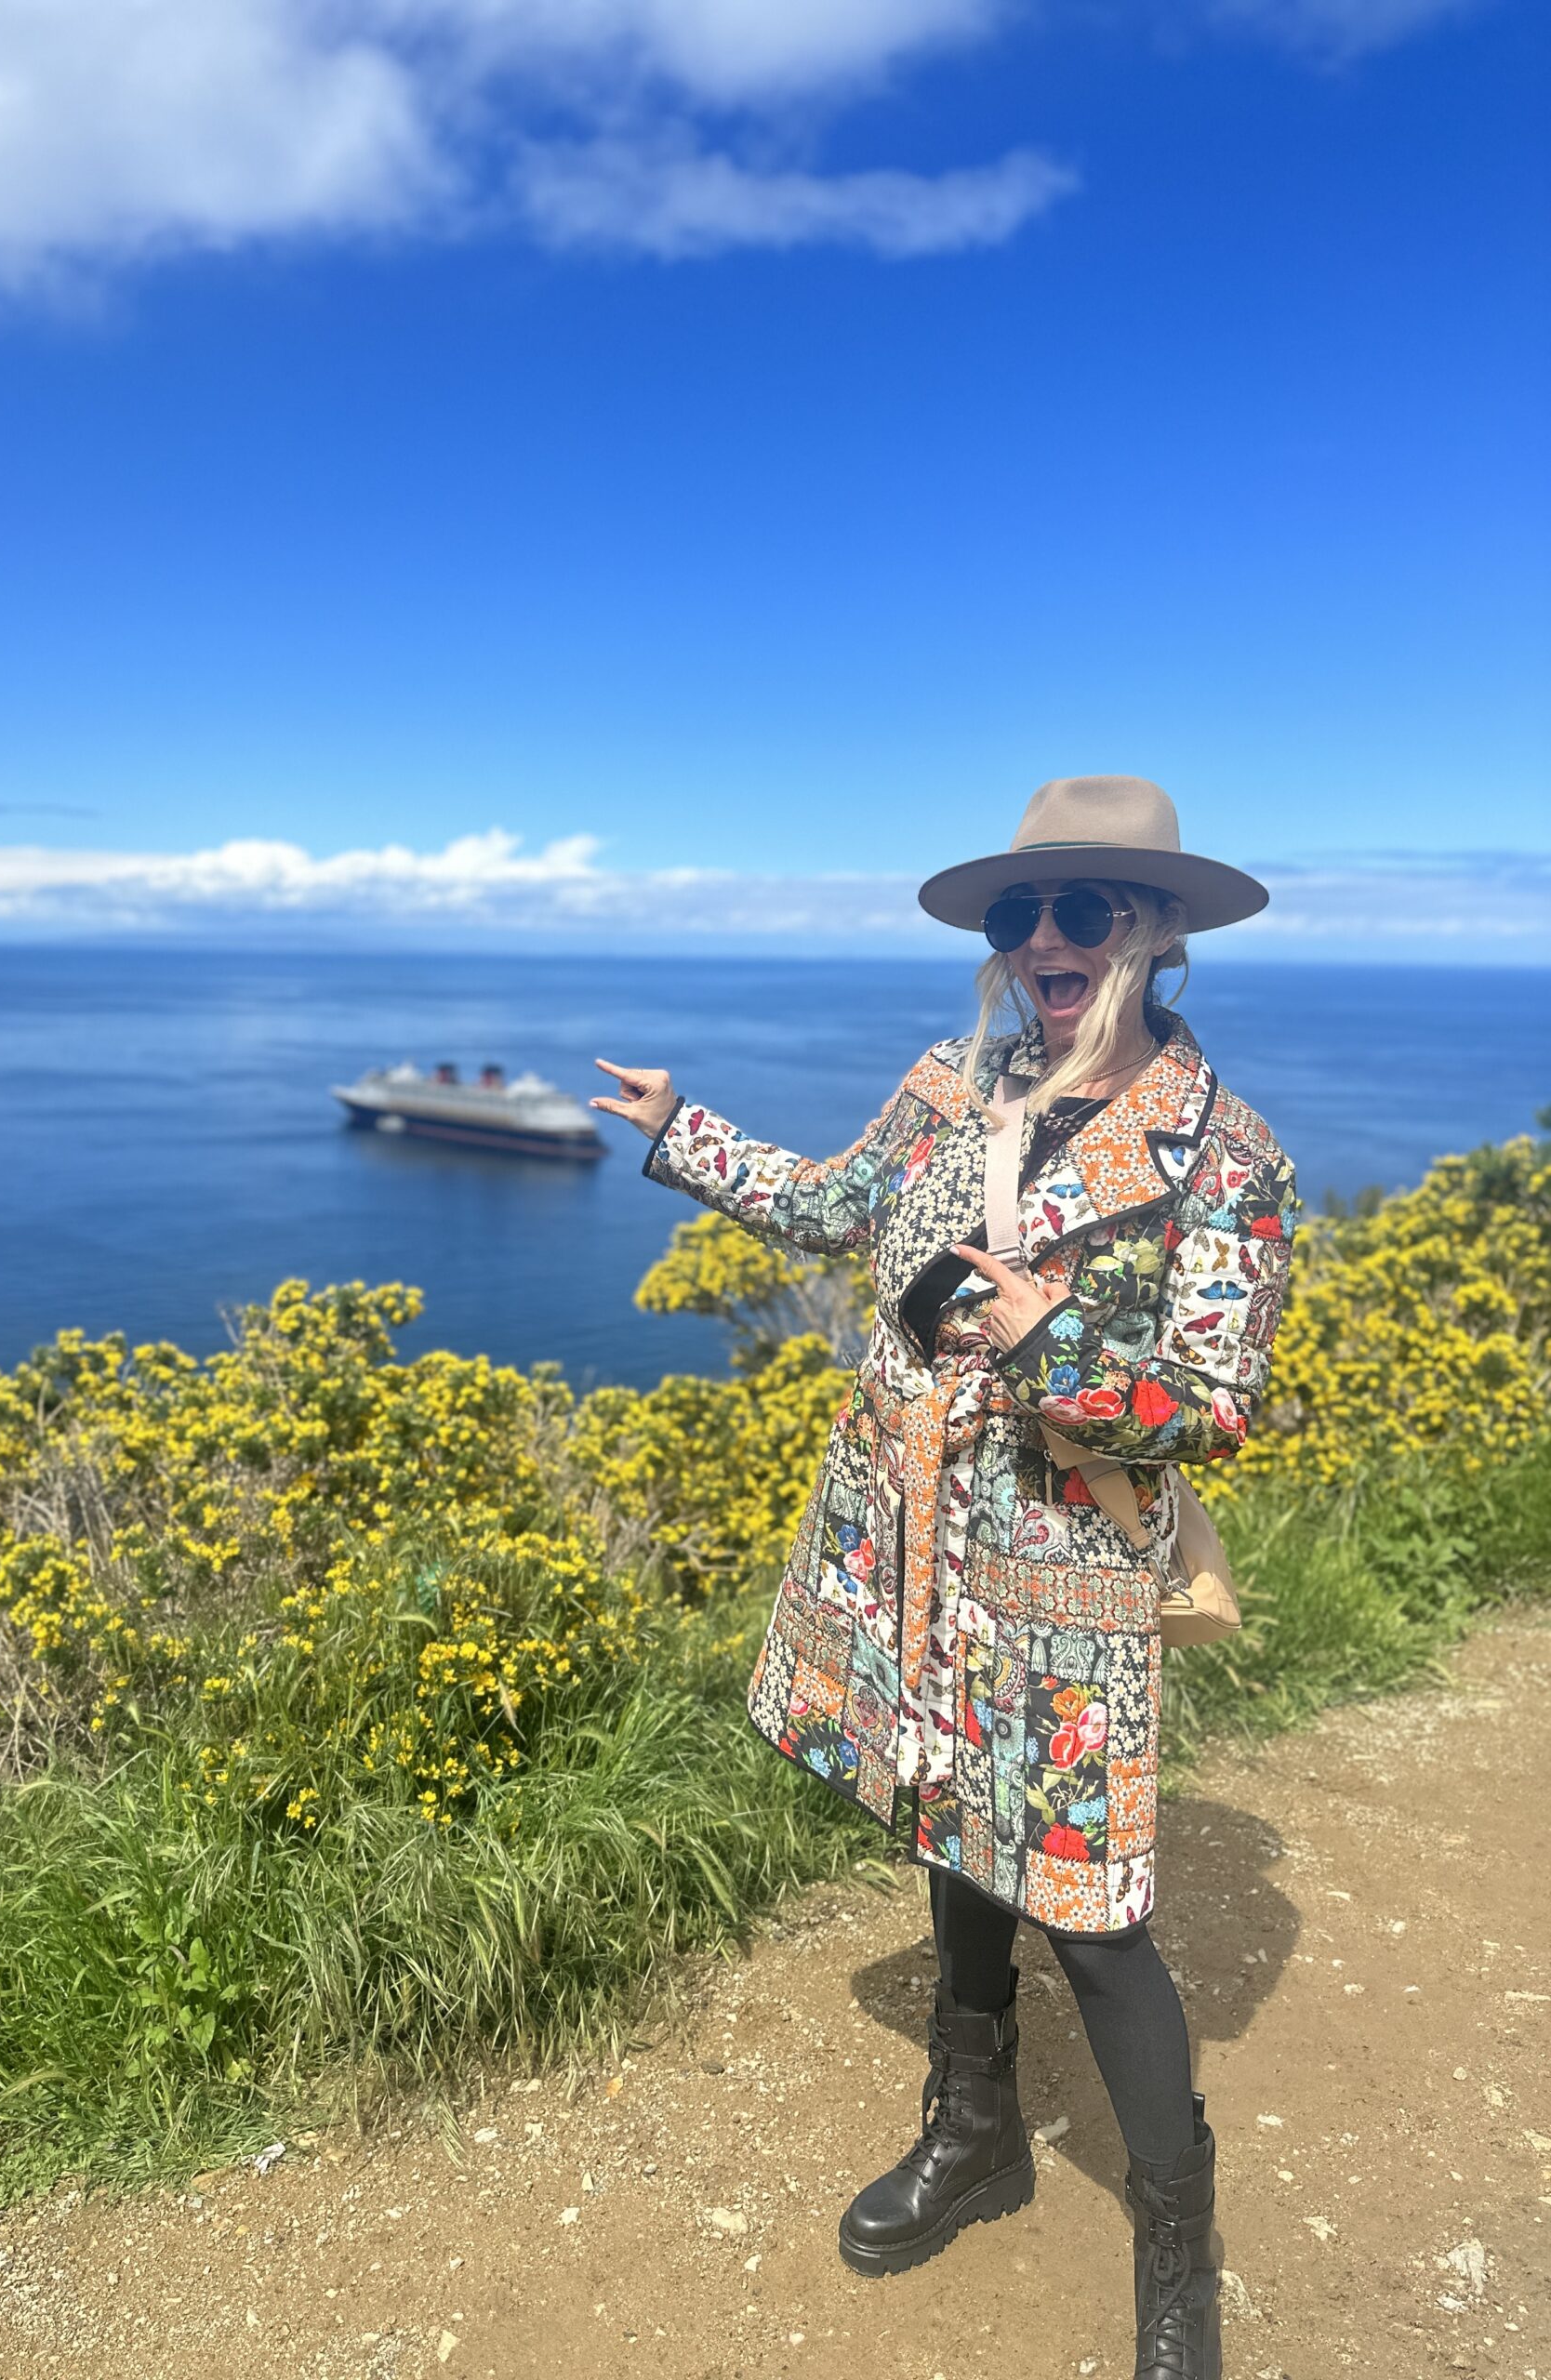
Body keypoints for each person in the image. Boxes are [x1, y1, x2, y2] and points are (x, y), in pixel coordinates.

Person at [590, 775, 1298, 2380]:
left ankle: (1175, 2243)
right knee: (949, 1825)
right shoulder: (952, 1081)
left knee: (1096, 1906)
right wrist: (678, 1129)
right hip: (904, 1534)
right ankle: (974, 2128)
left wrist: (1056, 1344)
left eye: (1085, 910)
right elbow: (840, 1206)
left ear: (1158, 931)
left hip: (1061, 1567)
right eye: (1018, 913)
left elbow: (1218, 1403)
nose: (1044, 940)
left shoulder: (1224, 1156)